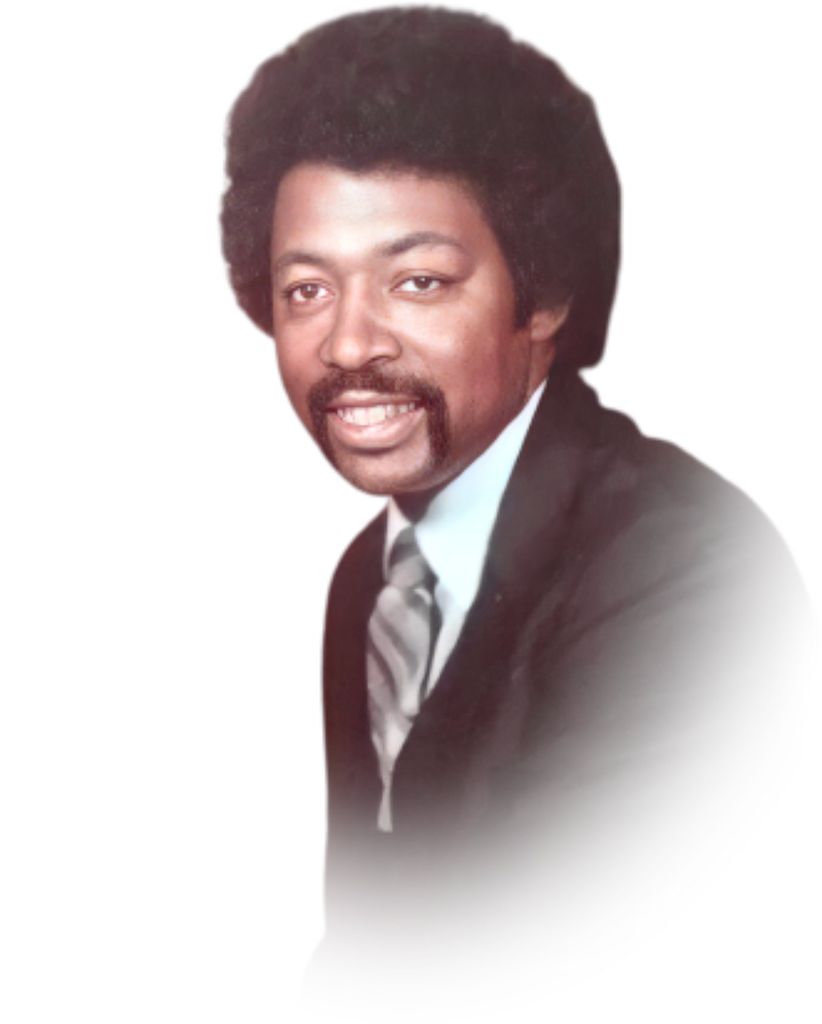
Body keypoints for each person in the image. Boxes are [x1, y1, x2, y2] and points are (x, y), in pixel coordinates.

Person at [221, 5, 809, 1003]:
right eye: (307, 290)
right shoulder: (370, 578)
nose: (348, 343)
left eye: (417, 280)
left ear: (543, 300)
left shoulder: (690, 571)